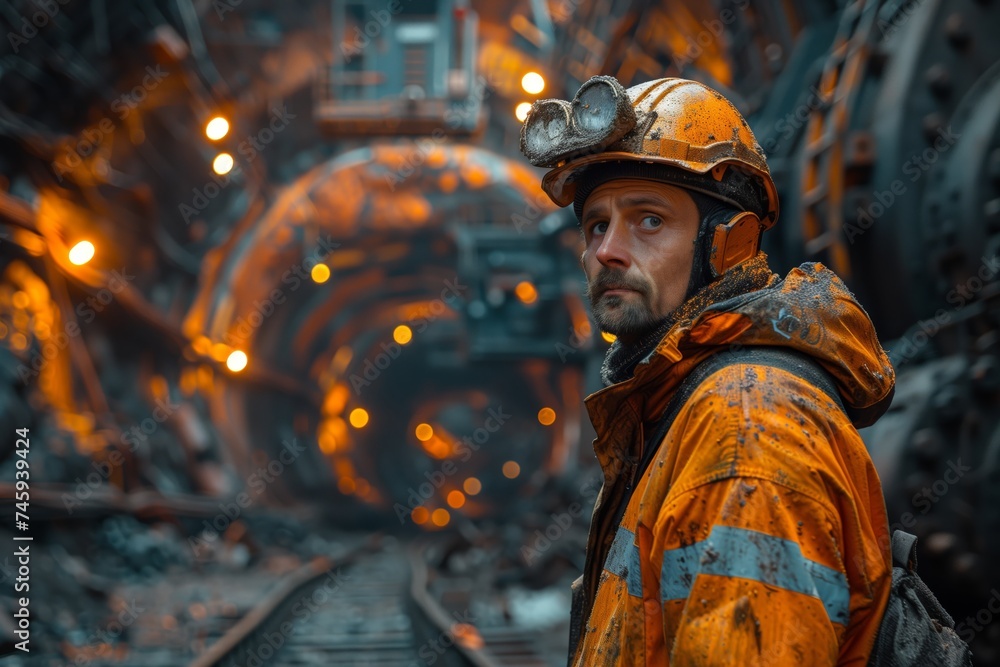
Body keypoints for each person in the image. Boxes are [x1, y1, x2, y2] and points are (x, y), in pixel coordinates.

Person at [520, 76, 896, 665]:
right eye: (597, 224)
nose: (607, 252)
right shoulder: (673, 404)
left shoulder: (749, 425)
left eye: (648, 220)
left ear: (730, 242)